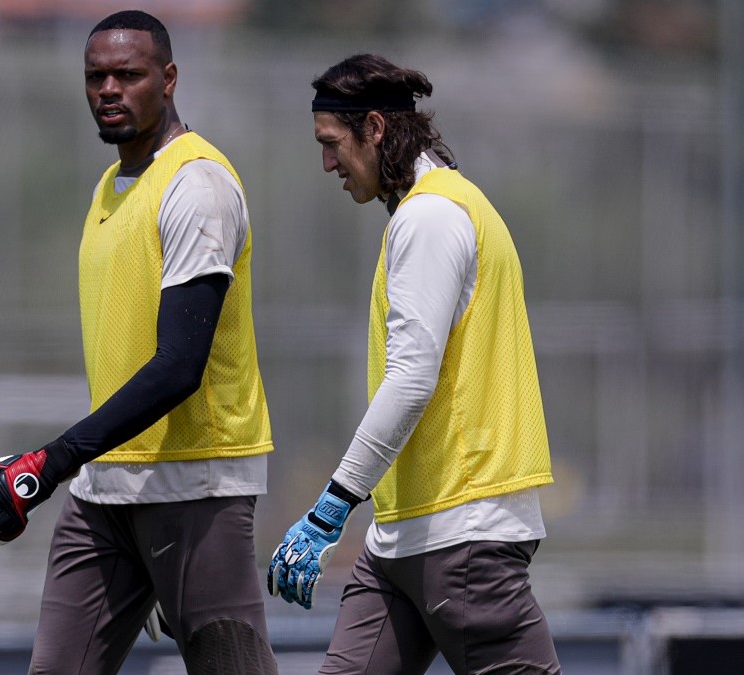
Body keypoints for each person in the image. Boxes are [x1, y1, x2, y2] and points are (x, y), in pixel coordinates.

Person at [0, 10, 279, 675]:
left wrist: (48, 463)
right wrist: (65, 465)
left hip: (194, 486)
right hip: (104, 490)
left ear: (169, 78)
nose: (109, 89)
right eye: (95, 76)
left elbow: (179, 367)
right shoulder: (110, 186)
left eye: (128, 75)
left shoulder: (197, 185)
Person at [267, 54, 561, 675]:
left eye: (331, 143)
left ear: (375, 128)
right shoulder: (429, 210)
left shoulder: (430, 217)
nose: (327, 164)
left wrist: (330, 508)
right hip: (402, 537)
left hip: (463, 532)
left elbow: (410, 379)